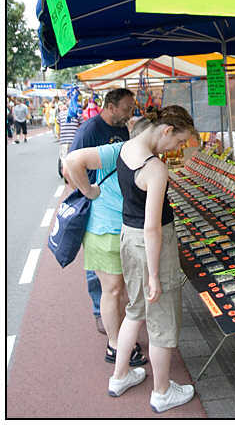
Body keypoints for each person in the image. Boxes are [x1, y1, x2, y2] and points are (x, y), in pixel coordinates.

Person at [107, 105, 199, 413]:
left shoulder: (126, 147)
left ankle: (120, 376)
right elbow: (152, 226)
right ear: (167, 130)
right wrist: (155, 275)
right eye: (179, 141)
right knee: (161, 318)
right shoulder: (155, 167)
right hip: (151, 246)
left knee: (135, 310)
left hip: (128, 238)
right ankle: (162, 392)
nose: (176, 148)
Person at [65, 118, 149, 368]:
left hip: (121, 227)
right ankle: (115, 346)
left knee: (120, 290)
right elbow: (71, 162)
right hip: (104, 230)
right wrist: (88, 191)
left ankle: (123, 339)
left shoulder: (142, 156)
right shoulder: (119, 150)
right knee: (112, 290)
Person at [63, 88, 136, 334]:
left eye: (132, 109)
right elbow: (68, 169)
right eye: (126, 109)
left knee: (115, 272)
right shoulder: (89, 130)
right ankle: (100, 311)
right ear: (110, 106)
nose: (130, 114)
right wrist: (86, 194)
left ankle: (116, 316)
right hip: (96, 208)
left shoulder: (122, 129)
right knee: (99, 270)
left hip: (116, 207)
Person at [57, 102, 83, 171]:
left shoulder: (60, 114)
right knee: (73, 158)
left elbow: (59, 128)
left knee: (64, 158)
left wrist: (59, 138)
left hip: (64, 140)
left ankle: (65, 172)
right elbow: (81, 127)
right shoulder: (78, 114)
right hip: (74, 140)